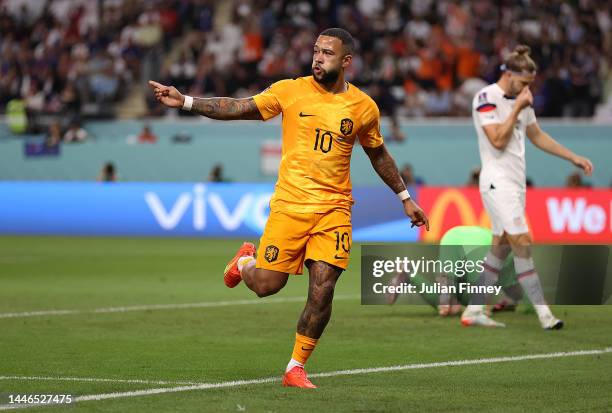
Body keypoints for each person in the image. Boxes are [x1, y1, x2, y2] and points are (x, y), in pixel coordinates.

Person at [149, 28, 429, 388]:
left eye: (327, 53)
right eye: (315, 50)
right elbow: (239, 107)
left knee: (323, 288)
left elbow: (377, 153)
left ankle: (295, 366)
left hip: (335, 209)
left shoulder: (363, 107)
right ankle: (245, 262)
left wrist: (405, 198)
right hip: (290, 205)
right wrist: (185, 101)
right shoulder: (290, 90)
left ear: (346, 61)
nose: (318, 57)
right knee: (266, 286)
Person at [464, 45, 594, 329]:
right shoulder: (486, 97)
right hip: (497, 182)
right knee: (523, 242)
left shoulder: (520, 99)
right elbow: (497, 140)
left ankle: (473, 310)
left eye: (530, 85)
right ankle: (545, 315)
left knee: (500, 248)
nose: (527, 89)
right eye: (523, 83)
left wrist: (572, 156)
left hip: (515, 184)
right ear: (508, 74)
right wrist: (517, 108)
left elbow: (536, 135)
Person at [386, 226, 523, 317]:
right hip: (454, 241)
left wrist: (512, 302)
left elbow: (515, 293)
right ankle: (409, 275)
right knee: (447, 307)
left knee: (459, 304)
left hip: (469, 241)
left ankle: (410, 275)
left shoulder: (510, 259)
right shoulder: (486, 261)